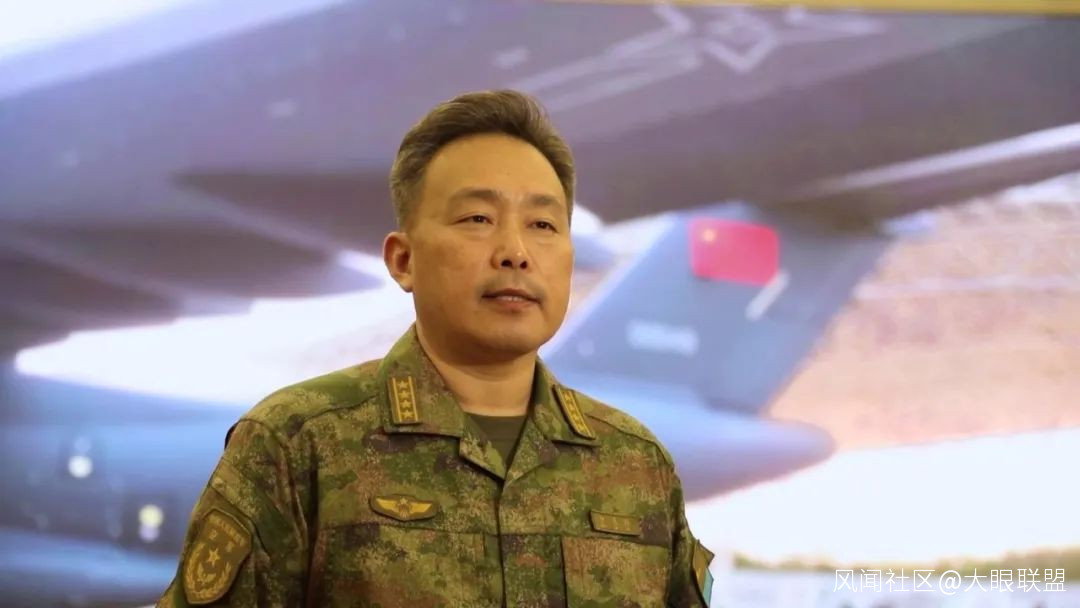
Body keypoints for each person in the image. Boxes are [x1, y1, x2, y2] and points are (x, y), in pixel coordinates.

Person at [157, 89, 714, 607]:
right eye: (478, 218)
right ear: (403, 260)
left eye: (543, 224)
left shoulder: (638, 464)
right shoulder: (299, 443)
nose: (516, 252)